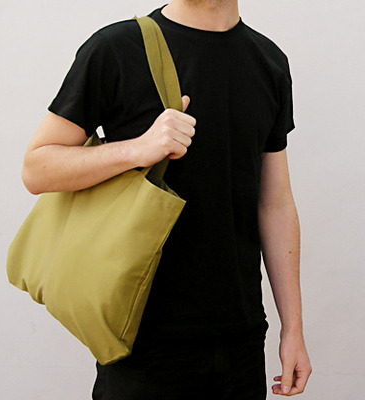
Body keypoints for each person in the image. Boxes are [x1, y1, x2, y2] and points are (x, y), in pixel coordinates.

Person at [22, 1, 312, 398]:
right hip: (141, 342)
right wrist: (137, 149)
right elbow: (37, 168)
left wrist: (292, 329)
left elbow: (274, 203)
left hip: (241, 340)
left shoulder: (269, 61)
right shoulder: (118, 47)